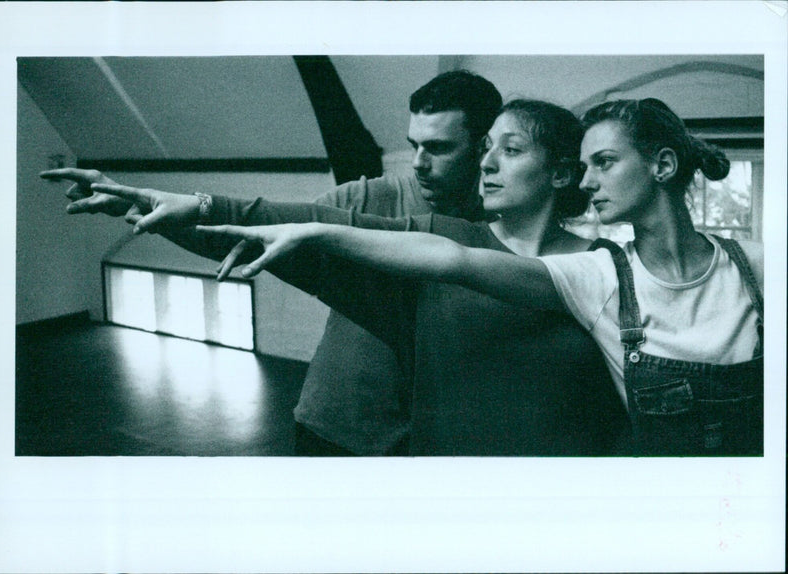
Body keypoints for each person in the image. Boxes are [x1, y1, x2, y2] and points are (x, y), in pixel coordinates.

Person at [192, 98, 762, 456]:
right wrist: (213, 209)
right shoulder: (594, 272)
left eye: (603, 164)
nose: (485, 165)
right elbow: (447, 257)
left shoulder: (719, 267)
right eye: (486, 149)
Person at [79, 99, 630, 455]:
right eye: (486, 150)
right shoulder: (439, 239)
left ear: (561, 172)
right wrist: (192, 207)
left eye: (510, 151)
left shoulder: (608, 269)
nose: (487, 165)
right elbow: (312, 228)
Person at [41, 70, 501, 456]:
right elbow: (252, 234)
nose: (419, 162)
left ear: (484, 148)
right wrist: (147, 213)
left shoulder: (506, 226)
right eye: (413, 145)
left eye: (438, 148)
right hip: (336, 426)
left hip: (437, 439)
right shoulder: (365, 197)